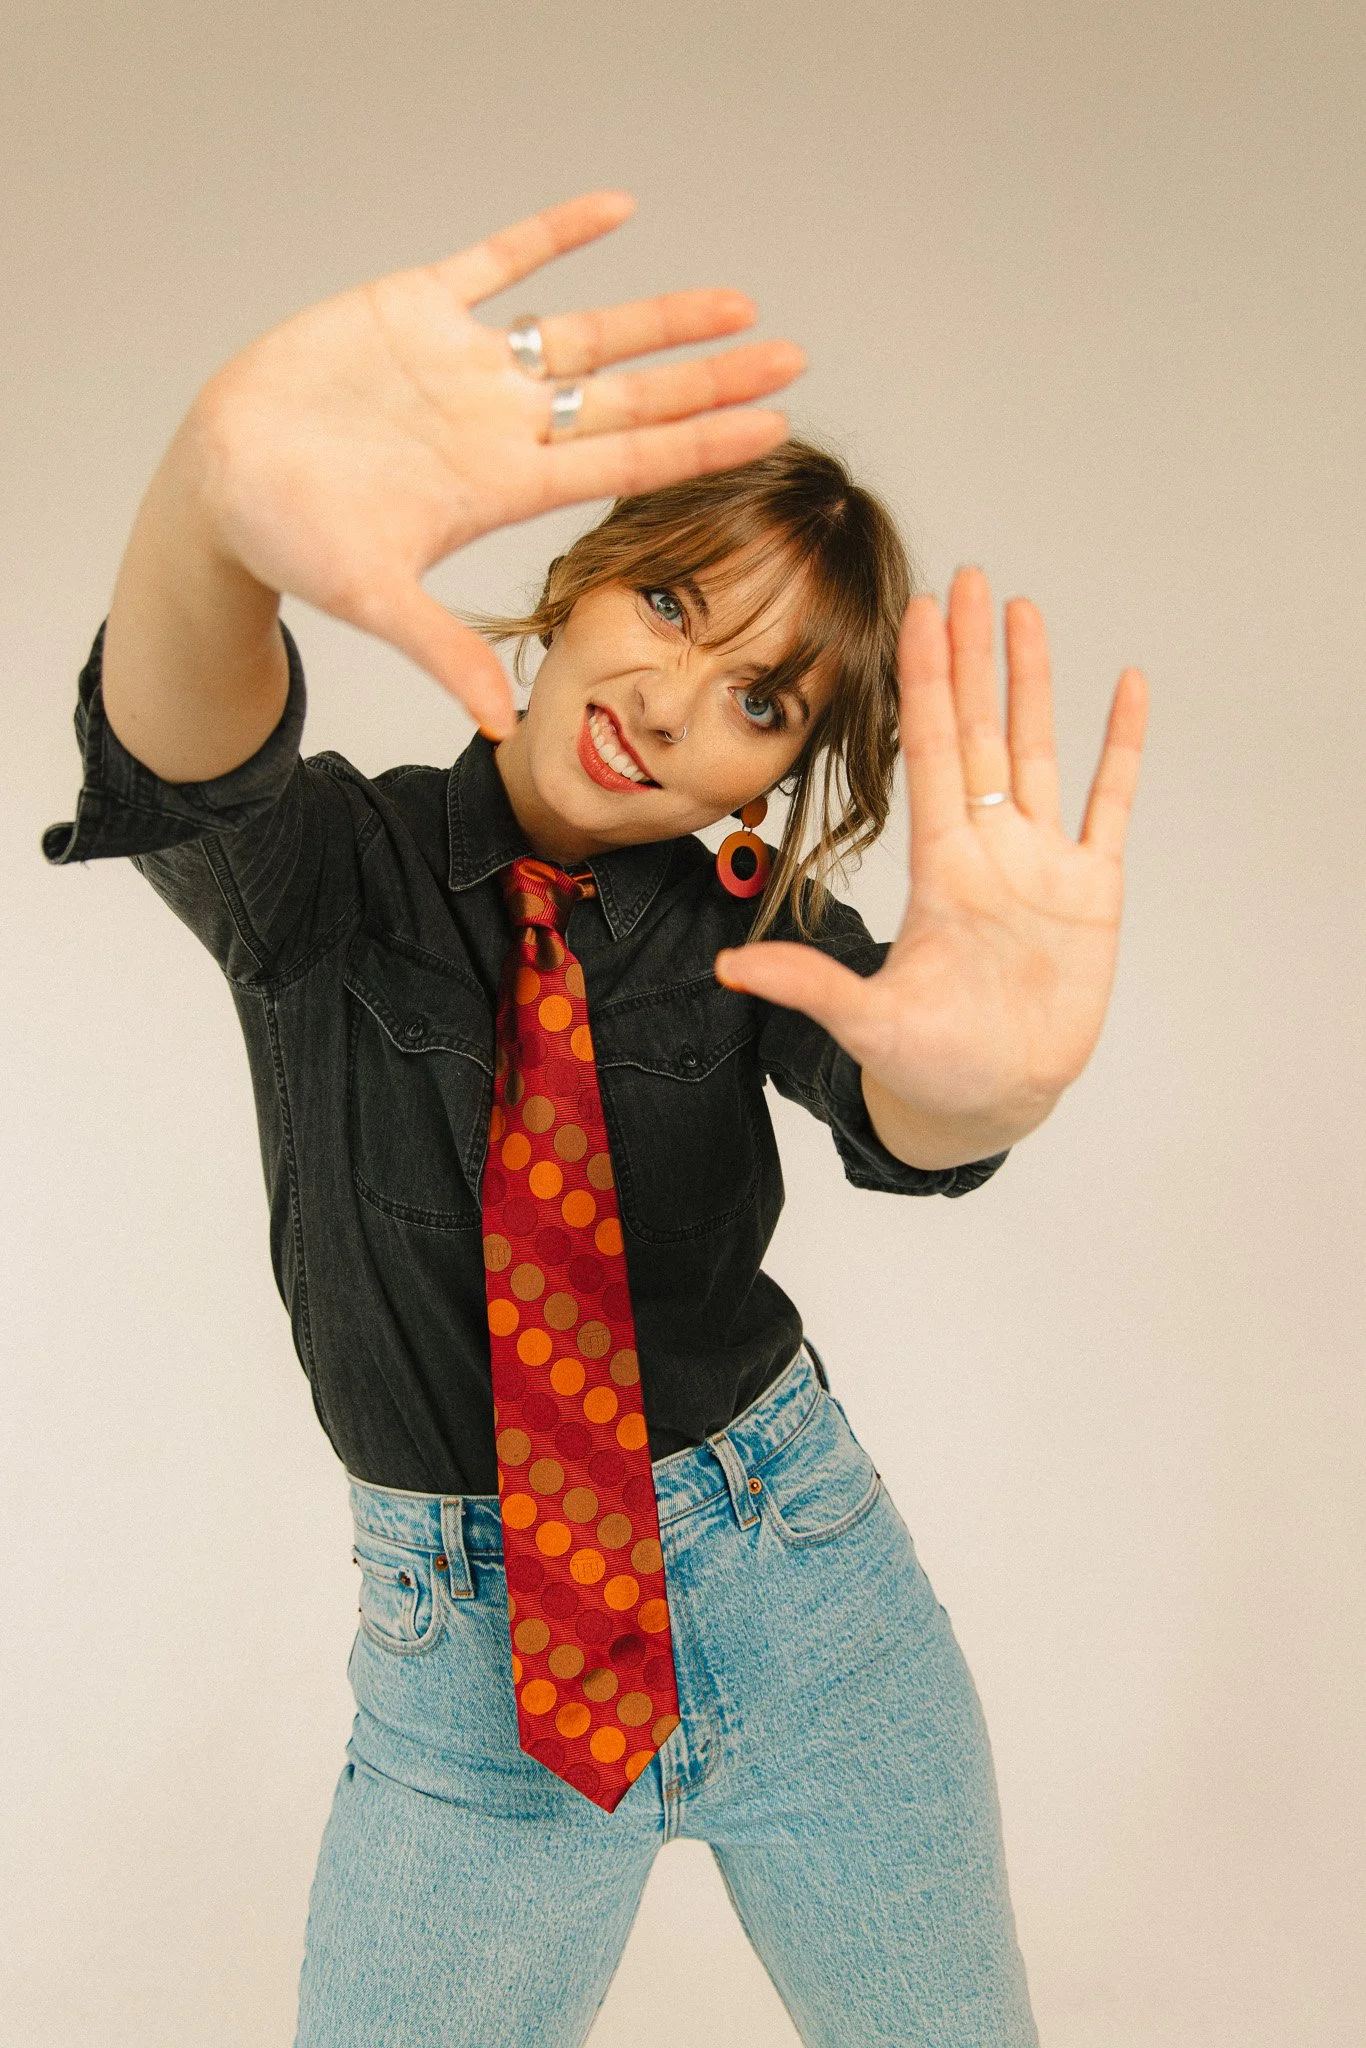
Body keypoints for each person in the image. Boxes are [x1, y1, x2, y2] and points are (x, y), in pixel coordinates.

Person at [43, 190, 1147, 2048]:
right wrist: (210, 511)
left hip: (807, 1593)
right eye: (670, 603)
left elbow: (896, 1094)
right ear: (575, 581)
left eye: (759, 699)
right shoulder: (337, 874)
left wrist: (977, 1090)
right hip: (474, 1673)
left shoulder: (746, 922)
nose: (671, 695)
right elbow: (185, 751)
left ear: (776, 776)